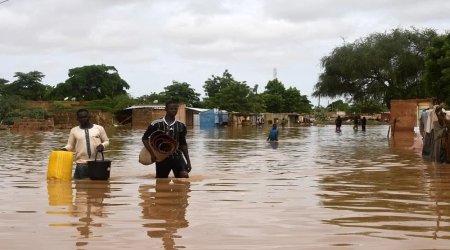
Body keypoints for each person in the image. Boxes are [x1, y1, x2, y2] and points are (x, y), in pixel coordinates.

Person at [142, 100, 192, 178]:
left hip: (177, 156)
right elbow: (145, 139)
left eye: (175, 109)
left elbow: (183, 144)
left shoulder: (181, 125)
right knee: (161, 182)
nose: (174, 110)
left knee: (184, 176)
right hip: (162, 158)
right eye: (171, 109)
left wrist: (188, 161)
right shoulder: (156, 124)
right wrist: (152, 154)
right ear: (166, 109)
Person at [62, 109, 110, 179]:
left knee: (99, 188)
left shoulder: (99, 128)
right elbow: (70, 145)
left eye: (85, 117)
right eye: (81, 117)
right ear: (77, 119)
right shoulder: (74, 130)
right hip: (81, 164)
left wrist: (102, 145)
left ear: (89, 117)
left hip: (97, 163)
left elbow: (106, 141)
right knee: (80, 186)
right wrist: (63, 149)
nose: (83, 119)